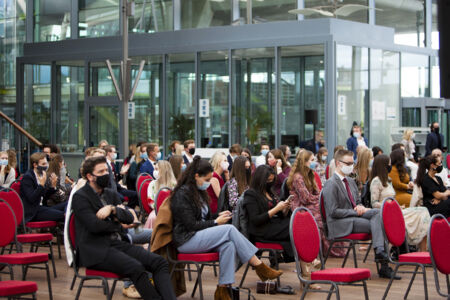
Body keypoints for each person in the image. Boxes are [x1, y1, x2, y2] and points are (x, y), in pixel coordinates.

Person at [171, 156, 282, 300]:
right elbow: (191, 225)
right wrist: (216, 222)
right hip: (186, 240)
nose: (209, 183)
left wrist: (217, 215)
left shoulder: (197, 192)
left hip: (197, 236)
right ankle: (259, 266)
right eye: (206, 180)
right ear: (196, 176)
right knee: (229, 230)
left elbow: (203, 217)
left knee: (228, 245)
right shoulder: (182, 194)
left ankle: (222, 290)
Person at [72, 156, 176, 300]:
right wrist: (117, 223)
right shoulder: (80, 197)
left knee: (160, 263)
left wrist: (113, 209)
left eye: (106, 170)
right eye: (101, 172)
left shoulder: (110, 194)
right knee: (136, 268)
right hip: (95, 250)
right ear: (90, 176)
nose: (106, 174)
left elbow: (128, 218)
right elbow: (94, 226)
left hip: (117, 243)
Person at [322, 149, 399, 279]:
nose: (351, 166)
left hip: (353, 216)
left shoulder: (351, 181)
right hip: (339, 222)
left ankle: (380, 252)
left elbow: (357, 202)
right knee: (379, 222)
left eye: (352, 162)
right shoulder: (331, 184)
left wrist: (361, 207)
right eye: (348, 163)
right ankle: (383, 263)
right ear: (338, 163)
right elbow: (333, 212)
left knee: (379, 213)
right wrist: (355, 211)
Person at [288, 150, 346, 258]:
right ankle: (323, 249)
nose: (314, 162)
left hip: (311, 204)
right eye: (312, 160)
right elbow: (305, 198)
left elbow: (316, 192)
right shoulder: (297, 177)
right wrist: (320, 198)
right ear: (304, 162)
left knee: (329, 212)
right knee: (320, 216)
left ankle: (333, 248)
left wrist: (320, 198)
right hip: (301, 207)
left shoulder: (310, 174)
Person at [369, 154, 430, 251]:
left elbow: (392, 198)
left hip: (395, 211)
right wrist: (390, 206)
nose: (390, 166)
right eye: (389, 164)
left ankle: (423, 249)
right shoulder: (376, 181)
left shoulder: (388, 180)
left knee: (423, 211)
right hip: (386, 214)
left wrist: (396, 206)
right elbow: (374, 203)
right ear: (383, 166)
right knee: (422, 213)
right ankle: (421, 248)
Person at [243, 165, 293, 261]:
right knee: (292, 227)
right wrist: (277, 208)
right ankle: (306, 260)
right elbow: (255, 220)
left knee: (293, 222)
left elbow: (280, 215)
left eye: (272, 180)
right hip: (260, 230)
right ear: (260, 180)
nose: (270, 183)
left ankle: (304, 261)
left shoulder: (270, 192)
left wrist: (285, 208)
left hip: (272, 225)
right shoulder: (251, 194)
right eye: (268, 180)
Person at [20, 152, 66, 223]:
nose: (46, 166)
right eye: (43, 164)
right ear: (35, 165)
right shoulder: (28, 177)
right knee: (64, 215)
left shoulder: (42, 174)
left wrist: (53, 186)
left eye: (46, 163)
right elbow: (32, 198)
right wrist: (41, 185)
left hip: (43, 207)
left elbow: (44, 197)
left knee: (68, 204)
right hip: (33, 211)